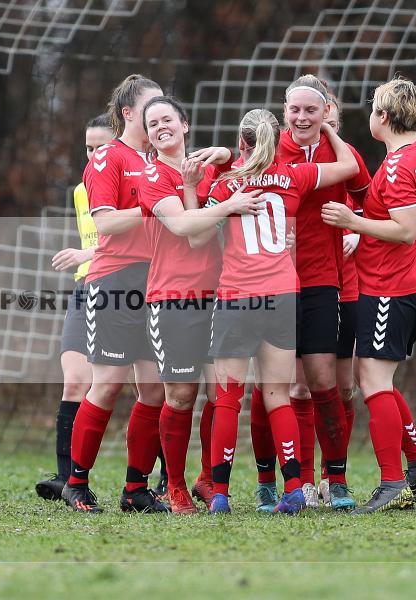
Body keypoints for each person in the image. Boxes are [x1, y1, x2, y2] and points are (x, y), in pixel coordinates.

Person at [205, 108, 359, 514]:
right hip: (283, 296)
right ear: (278, 140)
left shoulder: (227, 183)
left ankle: (220, 494)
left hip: (238, 296)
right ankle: (293, 487)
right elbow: (347, 166)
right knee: (278, 395)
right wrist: (327, 128)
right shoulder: (293, 177)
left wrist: (212, 172)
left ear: (242, 143)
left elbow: (196, 229)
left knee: (228, 397)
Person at [321, 76, 416, 513]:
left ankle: (393, 483)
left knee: (372, 381)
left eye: (374, 107)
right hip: (410, 282)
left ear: (385, 117)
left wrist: (351, 222)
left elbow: (406, 229)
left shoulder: (395, 167)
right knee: (378, 379)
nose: (370, 113)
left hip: (393, 286)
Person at [138, 95, 262, 513]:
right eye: (152, 123)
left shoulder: (210, 170)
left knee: (219, 393)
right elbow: (187, 229)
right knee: (180, 396)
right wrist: (226, 206)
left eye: (167, 119)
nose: (160, 127)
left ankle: (208, 480)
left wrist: (226, 153)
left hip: (222, 295)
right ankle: (173, 487)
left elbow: (255, 158)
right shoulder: (150, 176)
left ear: (185, 124)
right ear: (149, 134)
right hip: (173, 297)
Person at [61, 74, 169, 513]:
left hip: (158, 281)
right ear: (128, 112)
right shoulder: (108, 157)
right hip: (114, 281)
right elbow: (104, 223)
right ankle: (75, 482)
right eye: (152, 105)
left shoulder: (161, 159)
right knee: (106, 382)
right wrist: (154, 206)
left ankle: (135, 489)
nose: (161, 113)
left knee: (156, 390)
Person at [271, 75, 372, 510]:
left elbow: (369, 199)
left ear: (325, 111)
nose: (301, 117)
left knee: (327, 383)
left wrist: (356, 229)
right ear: (284, 112)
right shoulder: (270, 148)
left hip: (323, 279)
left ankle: (338, 480)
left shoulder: (342, 153)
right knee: (287, 390)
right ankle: (300, 483)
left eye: (311, 110)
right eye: (294, 109)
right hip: (274, 280)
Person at [35, 114, 113, 500]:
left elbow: (140, 238)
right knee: (75, 380)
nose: (94, 154)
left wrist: (88, 252)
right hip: (86, 287)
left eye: (101, 147)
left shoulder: (130, 179)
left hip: (127, 288)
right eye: (88, 147)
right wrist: (86, 259)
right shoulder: (82, 189)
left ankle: (165, 480)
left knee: (152, 387)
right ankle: (66, 478)